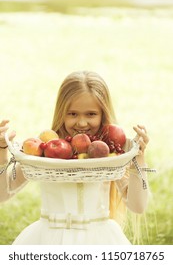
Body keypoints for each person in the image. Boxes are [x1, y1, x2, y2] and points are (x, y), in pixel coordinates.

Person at [0, 71, 150, 245]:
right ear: (61, 113)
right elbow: (3, 194)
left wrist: (138, 157)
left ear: (103, 115)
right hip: (50, 240)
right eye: (72, 114)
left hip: (99, 240)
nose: (82, 123)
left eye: (91, 114)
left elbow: (137, 206)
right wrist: (2, 151)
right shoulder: (45, 151)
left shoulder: (108, 154)